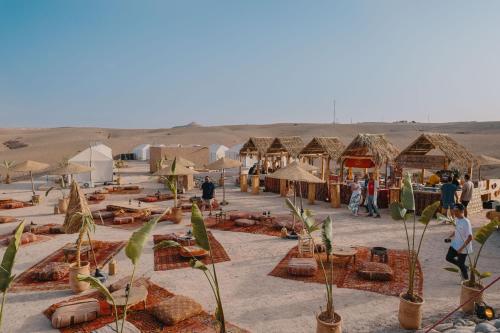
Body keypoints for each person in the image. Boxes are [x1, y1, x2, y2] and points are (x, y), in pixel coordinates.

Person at [445, 203, 473, 280]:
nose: (454, 213)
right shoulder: (457, 219)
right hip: (455, 245)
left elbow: (470, 237)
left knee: (461, 264)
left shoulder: (466, 222)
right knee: (448, 257)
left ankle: (466, 280)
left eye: (456, 211)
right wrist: (450, 236)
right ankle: (465, 267)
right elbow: (456, 230)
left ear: (462, 211)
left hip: (464, 248)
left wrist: (461, 248)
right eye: (454, 211)